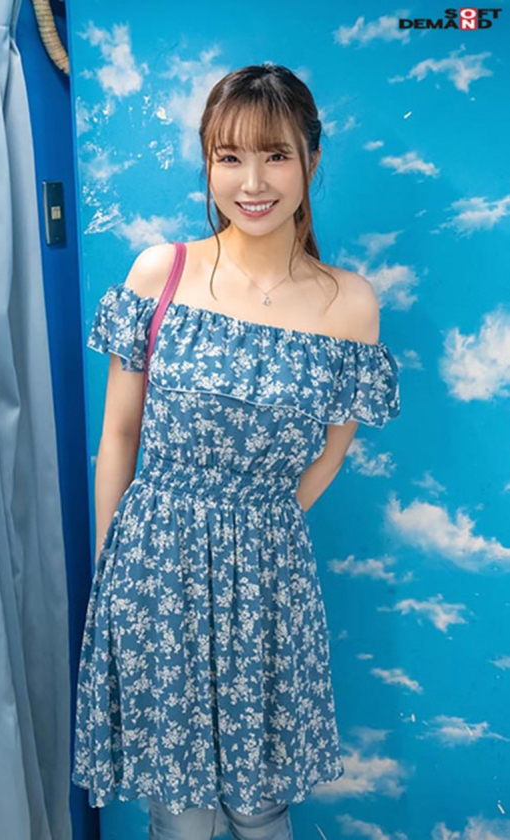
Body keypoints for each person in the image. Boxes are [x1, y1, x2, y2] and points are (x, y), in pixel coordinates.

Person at [72, 63, 401, 840]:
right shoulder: (160, 272)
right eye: (229, 157)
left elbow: (330, 454)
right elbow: (118, 436)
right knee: (180, 813)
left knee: (259, 809)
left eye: (275, 155)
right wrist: (116, 572)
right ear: (208, 164)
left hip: (267, 576)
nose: (252, 183)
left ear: (311, 159)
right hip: (153, 569)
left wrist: (259, 526)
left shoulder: (349, 302)